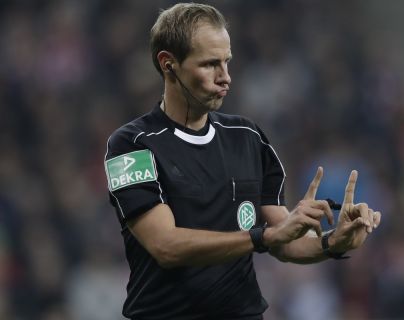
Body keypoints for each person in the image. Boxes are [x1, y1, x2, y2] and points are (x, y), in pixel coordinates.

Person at [104, 3, 381, 319]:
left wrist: (334, 242)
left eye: (227, 62)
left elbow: (285, 240)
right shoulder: (131, 145)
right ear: (169, 64)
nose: (226, 78)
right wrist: (260, 237)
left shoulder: (248, 138)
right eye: (210, 64)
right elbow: (165, 246)